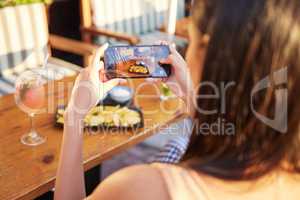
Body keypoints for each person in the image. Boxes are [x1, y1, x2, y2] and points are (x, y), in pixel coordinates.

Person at [54, 0, 300, 199]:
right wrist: (190, 96)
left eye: (189, 41)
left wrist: (75, 115)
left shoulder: (142, 188)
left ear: (208, 53)